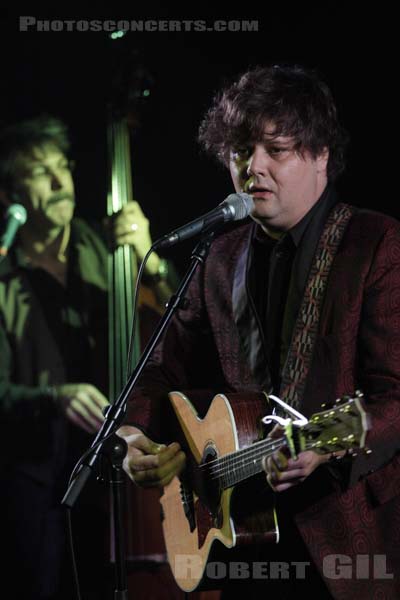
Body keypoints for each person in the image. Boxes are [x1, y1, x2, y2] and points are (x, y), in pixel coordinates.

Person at [118, 64, 400, 599]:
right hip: (244, 541)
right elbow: (157, 369)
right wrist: (134, 437)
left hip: (348, 545)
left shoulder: (377, 245)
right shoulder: (219, 258)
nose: (254, 168)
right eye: (241, 151)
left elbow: (396, 395)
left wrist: (322, 448)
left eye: (277, 150)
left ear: (320, 155)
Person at [0, 115, 177, 600]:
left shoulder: (109, 248)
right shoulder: (3, 273)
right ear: (9, 193)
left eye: (64, 167)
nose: (60, 182)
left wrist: (152, 259)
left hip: (119, 475)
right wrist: (53, 398)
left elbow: (184, 326)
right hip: (34, 489)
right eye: (40, 172)